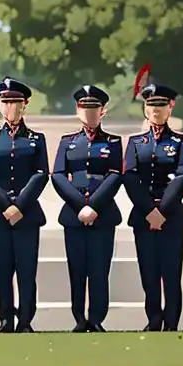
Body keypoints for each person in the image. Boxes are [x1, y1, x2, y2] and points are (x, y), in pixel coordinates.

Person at [0, 78, 49, 333]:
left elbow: (41, 173)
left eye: (15, 102)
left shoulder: (36, 139)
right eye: (4, 102)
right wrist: (6, 204)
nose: (9, 107)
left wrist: (20, 205)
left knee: (27, 271)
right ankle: (5, 318)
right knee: (1, 270)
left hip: (27, 216)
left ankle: (26, 320)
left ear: (25, 104)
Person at [50, 85, 123, 333]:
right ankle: (79, 317)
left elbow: (115, 176)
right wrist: (81, 205)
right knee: (77, 268)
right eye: (85, 108)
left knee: (100, 269)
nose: (89, 114)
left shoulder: (113, 142)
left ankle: (97, 318)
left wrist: (94, 206)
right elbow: (58, 175)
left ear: (102, 111)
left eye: (94, 109)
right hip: (74, 214)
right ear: (78, 111)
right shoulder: (68, 142)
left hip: (102, 215)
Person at [121, 83, 183, 331]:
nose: (156, 110)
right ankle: (153, 319)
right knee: (149, 274)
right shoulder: (136, 142)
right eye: (151, 105)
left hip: (171, 216)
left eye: (161, 105)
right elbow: (129, 176)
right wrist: (149, 210)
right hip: (143, 216)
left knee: (171, 274)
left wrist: (162, 211)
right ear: (145, 108)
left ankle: (172, 322)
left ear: (169, 108)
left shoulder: (180, 141)